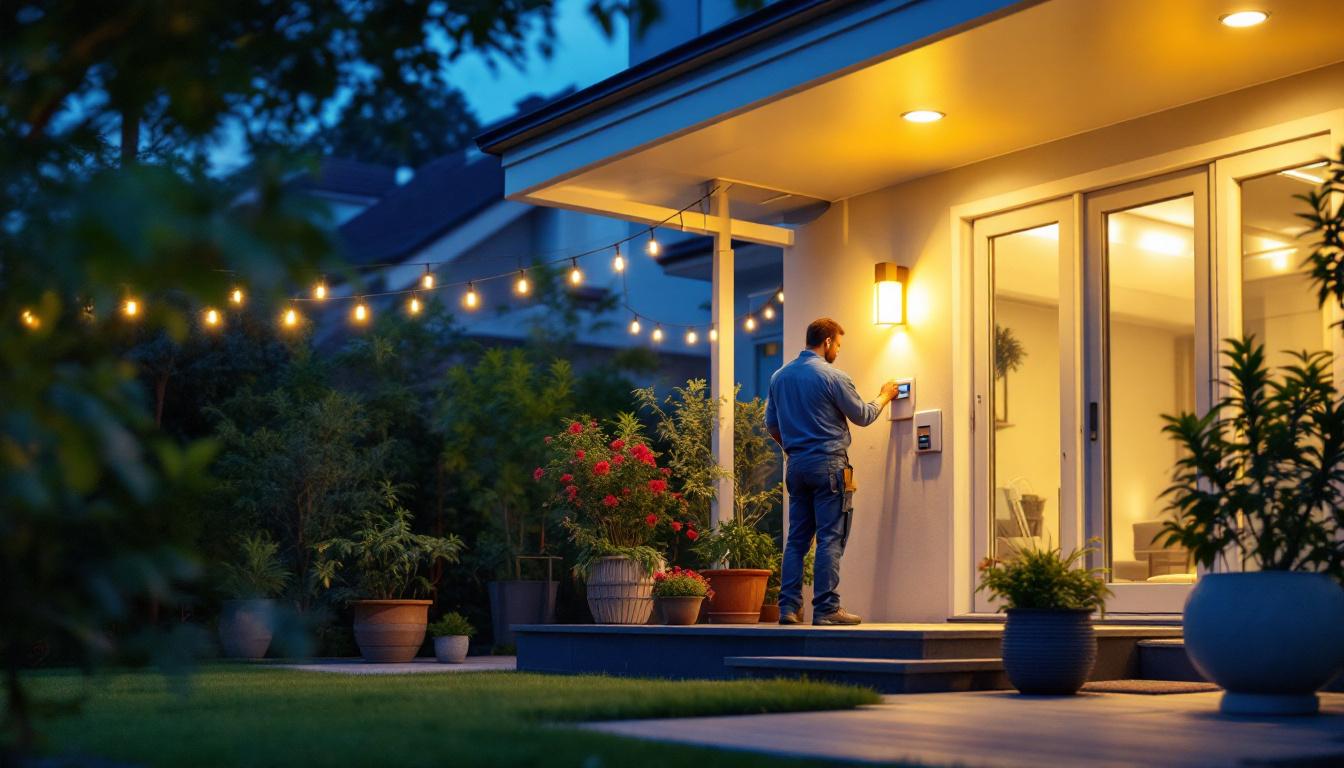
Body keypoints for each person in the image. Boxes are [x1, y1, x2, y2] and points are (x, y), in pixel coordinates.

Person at [765, 317, 898, 626]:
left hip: (796, 466)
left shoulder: (779, 377)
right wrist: (885, 395)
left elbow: (772, 426)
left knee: (797, 539)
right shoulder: (832, 376)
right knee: (830, 538)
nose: (838, 350)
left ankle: (788, 608)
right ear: (827, 342)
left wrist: (795, 449)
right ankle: (826, 608)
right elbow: (863, 416)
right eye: (838, 344)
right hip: (828, 465)